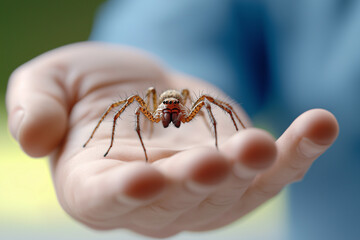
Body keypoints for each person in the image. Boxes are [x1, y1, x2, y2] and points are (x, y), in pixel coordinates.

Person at [5, 1, 349, 239]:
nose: (171, 117)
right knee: (123, 105)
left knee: (214, 105)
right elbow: (177, 19)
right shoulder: (154, 103)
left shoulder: (189, 106)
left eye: (174, 112)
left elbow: (215, 104)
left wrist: (225, 134)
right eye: (167, 112)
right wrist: (156, 60)